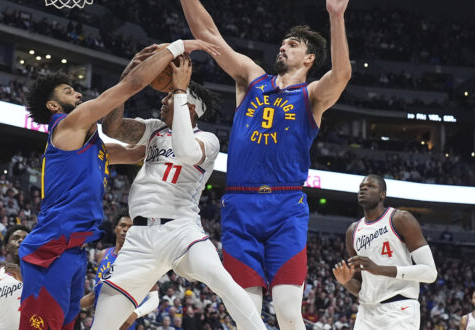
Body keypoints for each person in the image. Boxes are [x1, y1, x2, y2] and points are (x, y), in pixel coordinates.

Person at [18, 39, 219, 330]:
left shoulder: (93, 147)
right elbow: (128, 88)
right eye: (67, 91)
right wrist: (177, 48)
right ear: (53, 105)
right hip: (50, 247)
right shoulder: (67, 127)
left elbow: (144, 150)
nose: (77, 92)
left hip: (74, 251)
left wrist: (182, 127)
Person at [178, 0, 352, 328]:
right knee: (246, 315)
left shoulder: (311, 95)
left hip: (285, 206)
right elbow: (207, 33)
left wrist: (336, 16)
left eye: (293, 44)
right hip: (241, 204)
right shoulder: (251, 78)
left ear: (309, 57)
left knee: (287, 312)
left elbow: (342, 74)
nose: (283, 46)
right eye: (283, 42)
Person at [95, 55, 264, 330]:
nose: (162, 100)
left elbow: (185, 150)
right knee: (102, 325)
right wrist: (126, 80)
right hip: (139, 239)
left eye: (170, 96)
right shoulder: (153, 130)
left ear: (190, 106)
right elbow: (111, 128)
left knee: (220, 278)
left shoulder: (208, 141)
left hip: (181, 230)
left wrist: (181, 90)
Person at [332, 174, 437, 329]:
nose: (364, 189)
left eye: (370, 186)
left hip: (400, 307)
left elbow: (430, 273)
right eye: (361, 187)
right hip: (367, 311)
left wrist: (379, 269)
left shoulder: (400, 219)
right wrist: (346, 281)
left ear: (383, 194)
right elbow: (361, 287)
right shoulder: (353, 231)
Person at [80, 215, 160, 329]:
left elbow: (154, 299)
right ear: (116, 228)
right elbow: (95, 295)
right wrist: (69, 306)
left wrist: (135, 314)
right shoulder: (103, 254)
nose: (126, 229)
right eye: (123, 225)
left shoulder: (141, 260)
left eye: (130, 227)